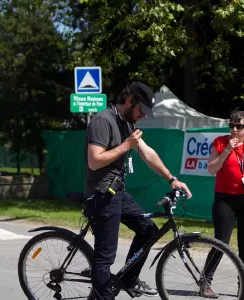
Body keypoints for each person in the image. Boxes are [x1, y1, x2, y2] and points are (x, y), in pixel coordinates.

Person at [84, 81, 192, 300]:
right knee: (105, 258)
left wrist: (172, 179)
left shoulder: (126, 123)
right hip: (102, 195)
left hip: (117, 193)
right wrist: (125, 146)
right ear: (129, 100)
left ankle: (128, 280)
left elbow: (147, 153)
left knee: (148, 230)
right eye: (142, 110)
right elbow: (94, 161)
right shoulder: (103, 121)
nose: (143, 115)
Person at [199, 110, 244, 299]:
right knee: (220, 242)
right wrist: (227, 150)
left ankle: (243, 286)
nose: (234, 130)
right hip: (225, 199)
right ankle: (205, 282)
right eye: (231, 125)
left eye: (238, 126)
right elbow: (211, 169)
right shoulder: (221, 142)